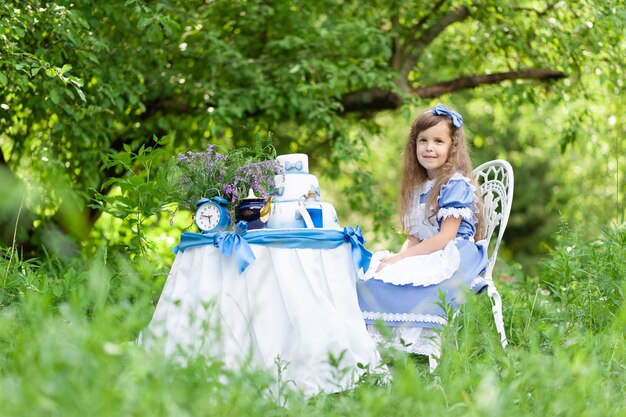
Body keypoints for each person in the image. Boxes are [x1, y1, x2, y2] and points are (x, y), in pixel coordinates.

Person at [356, 103, 489, 355]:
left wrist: (404, 258)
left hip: (455, 253)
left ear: (452, 147)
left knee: (409, 278)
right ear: (414, 145)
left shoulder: (455, 185)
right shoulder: (419, 187)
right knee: (374, 277)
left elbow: (445, 237)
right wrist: (398, 259)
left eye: (439, 141)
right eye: (423, 140)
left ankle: (420, 345)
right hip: (430, 251)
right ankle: (379, 348)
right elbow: (415, 237)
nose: (429, 147)